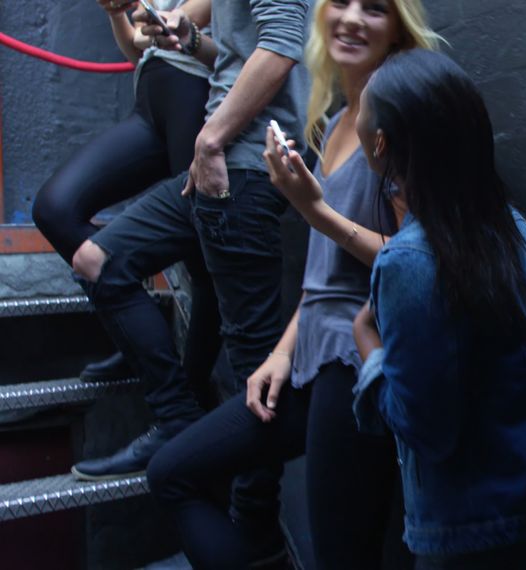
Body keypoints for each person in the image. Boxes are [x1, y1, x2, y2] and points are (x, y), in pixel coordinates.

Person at [145, 1, 442, 567]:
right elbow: (323, 275)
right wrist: (282, 352)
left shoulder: (401, 118)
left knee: (341, 554)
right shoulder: (332, 120)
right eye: (343, 4)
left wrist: (313, 211)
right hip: (310, 357)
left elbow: (425, 261)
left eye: (375, 9)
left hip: (358, 365)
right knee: (172, 471)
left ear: (399, 29)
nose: (353, 19)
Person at [351, 49, 526, 570]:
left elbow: (427, 430)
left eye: (360, 111)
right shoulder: (512, 228)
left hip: (472, 536)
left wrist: (370, 352)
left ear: (380, 143)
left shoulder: (407, 264)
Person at [66, 0, 311, 502]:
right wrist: (193, 40)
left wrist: (210, 140)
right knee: (97, 261)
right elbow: (242, 54)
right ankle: (178, 416)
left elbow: (282, 44)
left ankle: (255, 527)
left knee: (255, 376)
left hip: (244, 169)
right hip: (217, 169)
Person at [31, 0, 221, 392]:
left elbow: (184, 21)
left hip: (196, 92)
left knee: (202, 262)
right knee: (55, 209)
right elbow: (138, 48)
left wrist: (142, 17)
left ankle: (188, 398)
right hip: (151, 102)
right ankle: (143, 334)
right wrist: (115, 13)